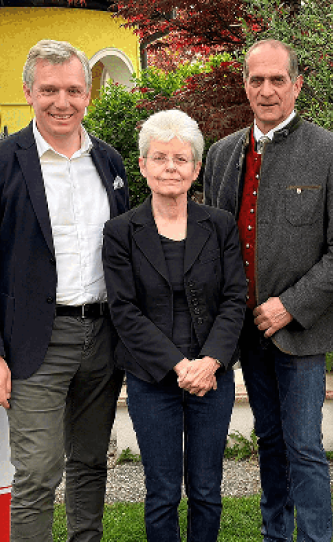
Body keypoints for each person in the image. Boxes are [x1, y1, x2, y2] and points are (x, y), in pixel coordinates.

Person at [0, 39, 129, 542]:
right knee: (36, 473)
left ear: (89, 95)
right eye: (49, 89)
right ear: (28, 91)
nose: (62, 101)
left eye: (73, 90)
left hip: (102, 339)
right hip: (34, 343)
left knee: (90, 462)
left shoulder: (110, 162)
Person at [201, 39, 333, 541]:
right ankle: (276, 535)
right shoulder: (223, 154)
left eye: (278, 80)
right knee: (269, 442)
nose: (267, 90)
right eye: (257, 80)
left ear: (297, 84)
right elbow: (216, 244)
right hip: (246, 333)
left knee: (304, 446)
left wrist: (289, 306)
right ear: (245, 85)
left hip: (301, 332)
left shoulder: (330, 150)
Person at [102, 110, 246, 542]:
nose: (170, 167)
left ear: (196, 168)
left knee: (206, 490)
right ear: (143, 166)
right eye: (160, 158)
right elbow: (124, 310)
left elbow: (235, 299)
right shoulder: (121, 231)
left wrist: (210, 362)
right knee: (162, 491)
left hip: (211, 379)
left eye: (181, 159)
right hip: (151, 378)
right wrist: (180, 366)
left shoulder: (219, 226)